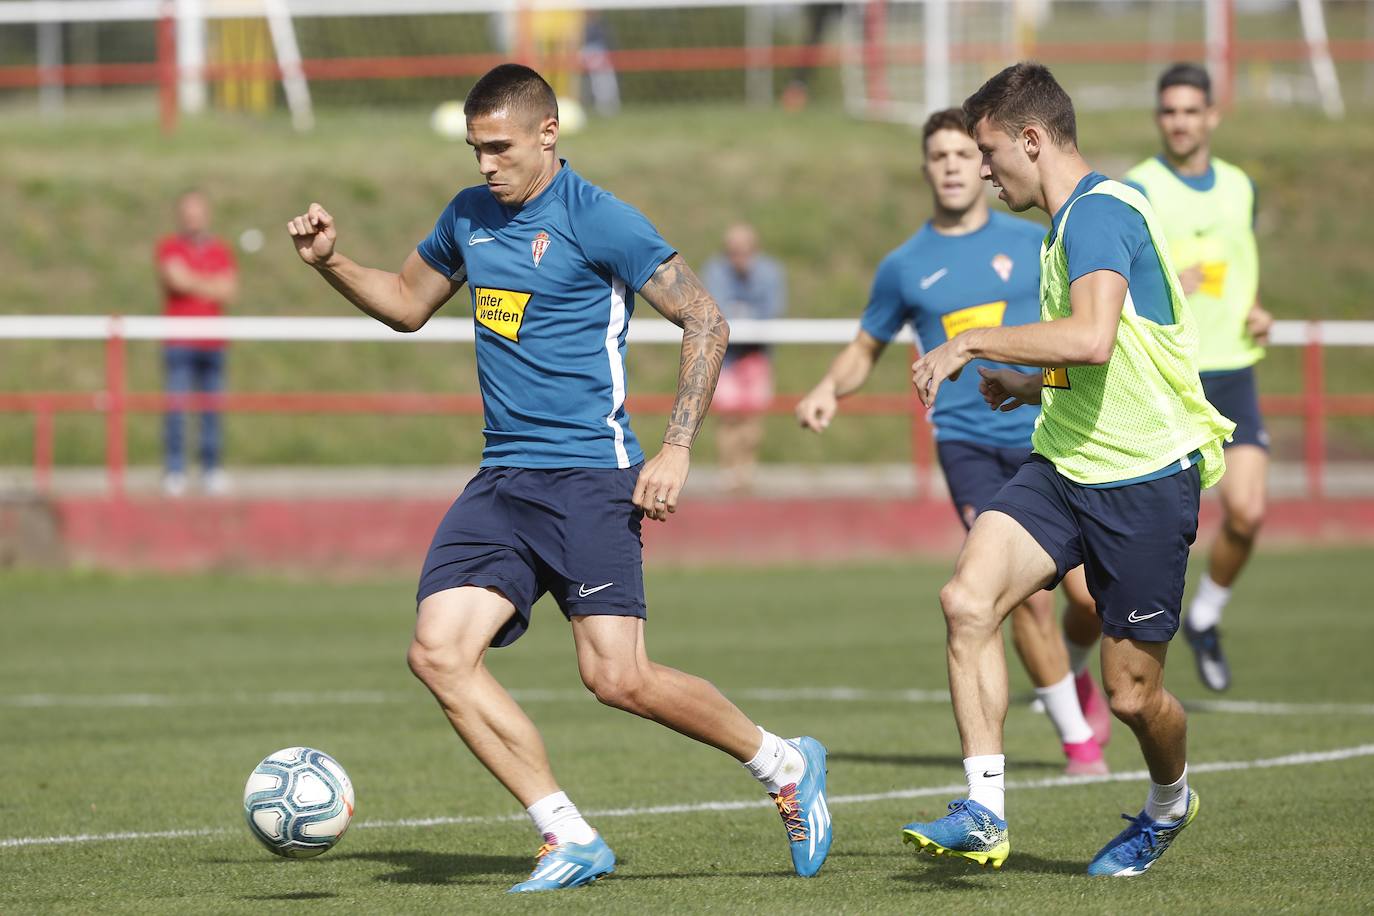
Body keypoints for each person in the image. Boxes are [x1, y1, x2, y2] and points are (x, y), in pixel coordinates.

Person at [285, 64, 831, 893]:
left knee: (618, 678)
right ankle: (566, 834)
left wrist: (677, 447)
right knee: (438, 653)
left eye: (499, 147)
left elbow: (707, 320)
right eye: (474, 149)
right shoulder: (468, 215)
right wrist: (330, 263)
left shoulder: (598, 217)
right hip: (503, 481)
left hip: (590, 480)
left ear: (549, 133)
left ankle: (784, 764)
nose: (484, 166)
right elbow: (404, 302)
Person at [903, 62, 1233, 876]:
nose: (983, 170)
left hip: (1146, 480)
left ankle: (1168, 801)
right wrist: (1029, 384)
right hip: (1063, 466)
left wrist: (972, 341)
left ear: (1030, 138)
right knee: (967, 598)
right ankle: (984, 809)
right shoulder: (1062, 230)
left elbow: (1091, 337)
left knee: (1132, 696)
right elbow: (1093, 361)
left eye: (988, 152)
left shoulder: (1097, 215)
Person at [795, 108, 1110, 776]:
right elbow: (865, 347)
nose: (952, 167)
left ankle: (1074, 672)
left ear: (985, 162)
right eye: (938, 157)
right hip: (968, 445)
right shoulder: (905, 267)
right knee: (1019, 592)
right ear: (926, 169)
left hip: (1050, 432)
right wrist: (829, 388)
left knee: (1089, 597)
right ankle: (1079, 741)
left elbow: (1083, 329)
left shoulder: (1035, 242)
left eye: (965, 155)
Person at [1123, 63, 1272, 692]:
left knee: (1246, 513)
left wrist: (1257, 309)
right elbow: (1112, 277)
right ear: (1159, 118)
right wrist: (1161, 290)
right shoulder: (1137, 188)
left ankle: (1207, 615)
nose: (1180, 122)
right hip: (1170, 373)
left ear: (1212, 115)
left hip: (1233, 365)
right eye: (1169, 111)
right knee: (1155, 529)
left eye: (1191, 110)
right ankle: (1102, 660)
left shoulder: (1241, 187)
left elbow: (1240, 266)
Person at [155, 189, 236, 497]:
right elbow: (175, 280)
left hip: (212, 342)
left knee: (212, 409)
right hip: (179, 340)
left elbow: (228, 291)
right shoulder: (169, 247)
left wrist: (194, 282)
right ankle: (175, 470)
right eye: (188, 211)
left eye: (197, 210)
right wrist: (209, 284)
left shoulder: (221, 250)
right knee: (176, 407)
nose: (193, 217)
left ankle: (210, 469)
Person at [702, 223, 786, 493]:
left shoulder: (770, 272)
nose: (739, 256)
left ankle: (747, 470)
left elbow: (772, 310)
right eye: (733, 251)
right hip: (724, 356)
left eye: (744, 250)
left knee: (752, 417)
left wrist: (739, 313)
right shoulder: (715, 270)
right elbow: (715, 310)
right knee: (727, 417)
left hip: (756, 354)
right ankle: (728, 471)